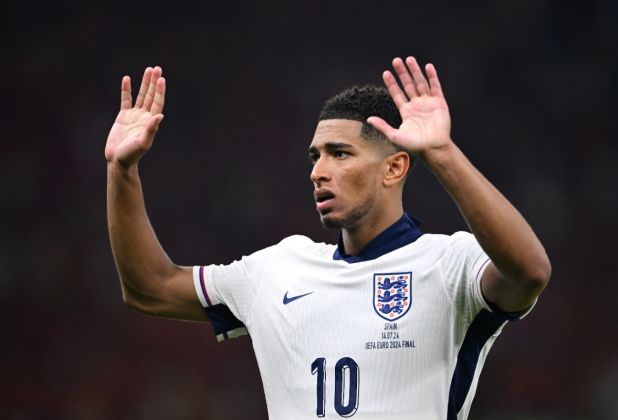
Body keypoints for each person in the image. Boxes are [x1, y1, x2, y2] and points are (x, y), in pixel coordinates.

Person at [106, 56, 551, 419]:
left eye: (340, 154)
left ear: (395, 167)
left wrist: (441, 153)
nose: (318, 171)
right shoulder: (278, 269)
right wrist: (122, 171)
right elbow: (150, 288)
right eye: (315, 157)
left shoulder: (449, 264)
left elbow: (530, 271)